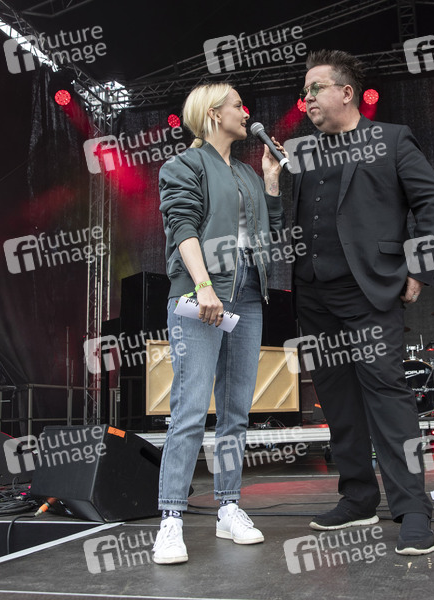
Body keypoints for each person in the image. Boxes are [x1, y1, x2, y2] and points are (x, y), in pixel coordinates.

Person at [289, 50, 434, 555]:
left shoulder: (392, 139)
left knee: (387, 395)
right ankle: (357, 497)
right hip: (313, 292)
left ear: (346, 92)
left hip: (369, 289)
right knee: (336, 399)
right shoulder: (301, 151)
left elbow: (432, 200)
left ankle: (413, 509)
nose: (307, 98)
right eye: (305, 91)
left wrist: (419, 267)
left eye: (316, 88)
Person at [153, 83, 286, 564]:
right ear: (213, 114)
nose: (245, 112)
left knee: (236, 411)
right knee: (190, 408)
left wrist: (270, 181)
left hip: (248, 291)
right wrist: (203, 284)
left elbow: (270, 231)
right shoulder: (184, 165)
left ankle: (229, 506)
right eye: (237, 105)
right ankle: (171, 518)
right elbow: (182, 227)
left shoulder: (247, 172)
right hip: (201, 290)